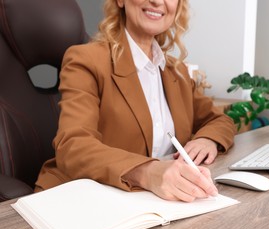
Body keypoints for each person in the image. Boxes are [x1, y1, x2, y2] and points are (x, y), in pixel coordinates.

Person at [34, 0, 236, 202]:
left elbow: (221, 121)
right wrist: (149, 172)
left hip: (148, 202)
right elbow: (73, 146)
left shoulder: (177, 72)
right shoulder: (86, 60)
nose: (157, 1)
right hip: (80, 198)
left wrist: (208, 139)